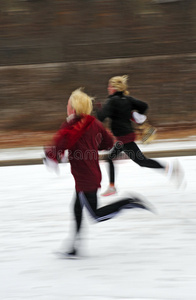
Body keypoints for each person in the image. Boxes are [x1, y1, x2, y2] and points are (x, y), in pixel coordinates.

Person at [43, 88, 152, 257]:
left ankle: (129, 201)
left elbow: (64, 139)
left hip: (85, 178)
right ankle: (74, 247)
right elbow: (107, 142)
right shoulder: (93, 122)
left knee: (96, 215)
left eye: (68, 104)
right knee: (77, 209)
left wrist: (52, 155)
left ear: (73, 107)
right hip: (90, 174)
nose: (67, 106)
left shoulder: (73, 125)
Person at [96, 75, 183, 196]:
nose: (108, 88)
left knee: (142, 161)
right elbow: (144, 106)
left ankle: (170, 168)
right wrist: (136, 114)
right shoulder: (127, 99)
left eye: (110, 86)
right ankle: (112, 187)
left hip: (124, 138)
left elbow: (101, 117)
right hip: (125, 136)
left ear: (115, 87)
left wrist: (98, 109)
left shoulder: (111, 101)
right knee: (110, 158)